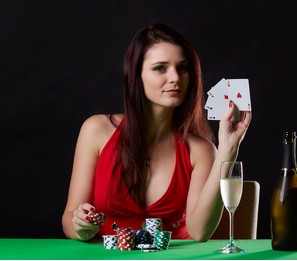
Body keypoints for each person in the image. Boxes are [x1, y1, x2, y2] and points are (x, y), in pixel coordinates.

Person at [62, 23, 251, 242]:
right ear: (136, 74)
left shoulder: (201, 150)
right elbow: (69, 218)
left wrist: (229, 148)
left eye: (182, 68)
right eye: (160, 68)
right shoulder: (96, 130)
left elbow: (200, 232)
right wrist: (80, 226)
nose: (175, 78)